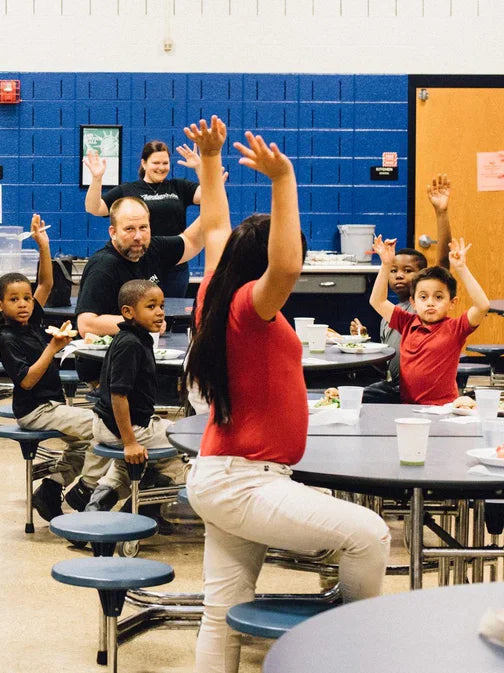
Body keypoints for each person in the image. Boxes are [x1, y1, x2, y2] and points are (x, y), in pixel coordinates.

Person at [181, 116, 389, 673]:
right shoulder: (251, 308)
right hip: (242, 481)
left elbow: (218, 225)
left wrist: (210, 163)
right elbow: (287, 263)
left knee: (222, 609)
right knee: (369, 536)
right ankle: (353, 653)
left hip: (226, 474)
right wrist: (283, 178)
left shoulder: (214, 294)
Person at [0, 213, 106, 517]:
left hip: (53, 405)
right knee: (103, 429)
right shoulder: (7, 337)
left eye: (27, 298)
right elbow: (27, 381)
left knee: (84, 443)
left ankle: (52, 488)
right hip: (35, 410)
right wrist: (53, 348)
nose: (24, 304)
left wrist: (43, 246)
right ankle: (83, 492)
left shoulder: (33, 321)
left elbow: (46, 281)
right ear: (0, 306)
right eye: (14, 299)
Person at [74, 194, 203, 384]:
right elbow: (86, 325)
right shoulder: (103, 266)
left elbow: (192, 241)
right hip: (106, 369)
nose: (138, 236)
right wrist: (143, 322)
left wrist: (212, 193)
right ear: (113, 232)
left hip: (141, 357)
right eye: (129, 229)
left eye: (143, 227)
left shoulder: (152, 249)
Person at [351, 174, 453, 402]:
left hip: (417, 390)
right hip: (395, 384)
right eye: (394, 270)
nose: (399, 275)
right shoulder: (391, 312)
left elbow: (444, 262)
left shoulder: (423, 308)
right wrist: (364, 340)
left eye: (408, 271)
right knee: (347, 393)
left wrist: (441, 213)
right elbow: (387, 364)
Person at [87, 278, 185, 512]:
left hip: (114, 423)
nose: (160, 312)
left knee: (127, 464)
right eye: (151, 307)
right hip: (123, 427)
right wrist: (130, 442)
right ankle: (141, 509)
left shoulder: (135, 338)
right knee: (186, 444)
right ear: (128, 312)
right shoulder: (131, 344)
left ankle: (97, 504)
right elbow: (118, 395)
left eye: (161, 306)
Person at [368, 234, 488, 406]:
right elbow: (377, 301)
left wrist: (461, 268)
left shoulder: (455, 328)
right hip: (407, 407)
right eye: (423, 297)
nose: (430, 302)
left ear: (452, 303)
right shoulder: (407, 322)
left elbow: (482, 305)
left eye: (438, 297)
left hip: (443, 408)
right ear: (413, 303)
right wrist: (386, 264)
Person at [84, 141, 203, 297]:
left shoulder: (178, 187)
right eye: (156, 162)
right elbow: (94, 208)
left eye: (165, 163)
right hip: (142, 264)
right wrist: (97, 178)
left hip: (175, 264)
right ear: (144, 163)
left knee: (173, 313)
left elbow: (209, 196)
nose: (161, 167)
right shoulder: (128, 189)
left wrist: (200, 168)